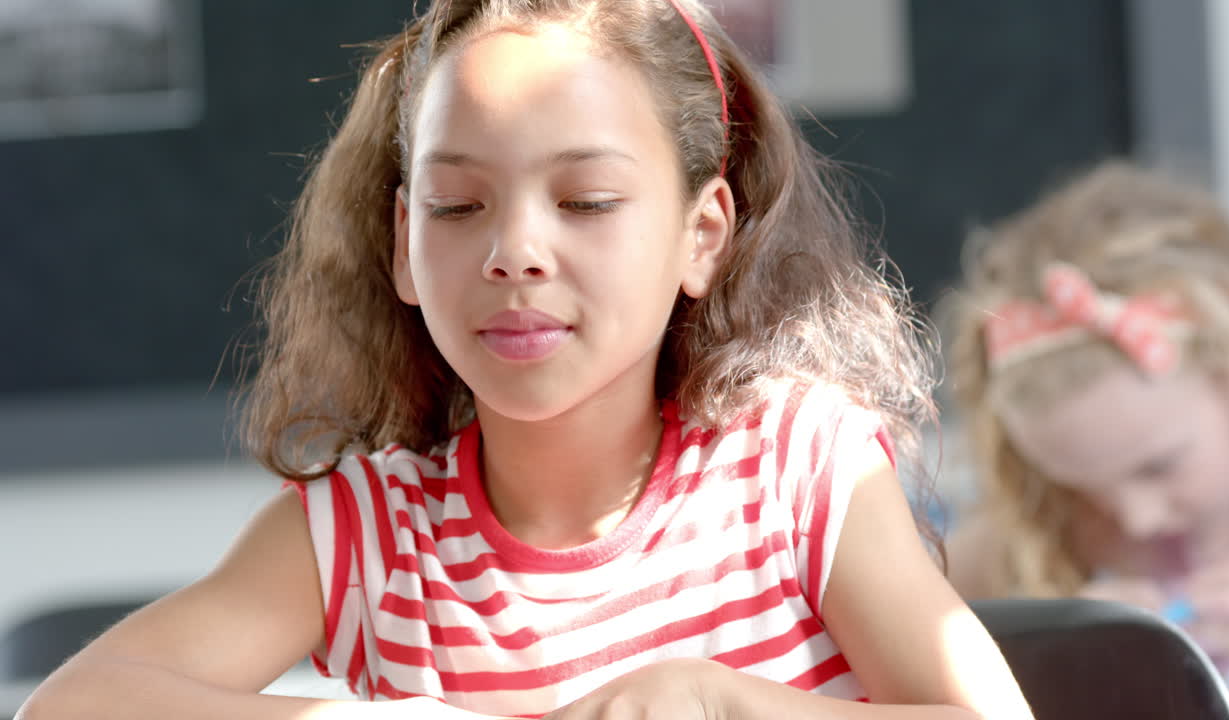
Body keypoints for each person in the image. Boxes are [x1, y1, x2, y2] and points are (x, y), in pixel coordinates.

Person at [20, 1, 1030, 718]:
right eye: (457, 207)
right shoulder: (362, 536)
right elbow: (71, 709)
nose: (512, 252)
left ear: (702, 234)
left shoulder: (801, 470)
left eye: (586, 201)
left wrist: (725, 705)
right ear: (401, 247)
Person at [944, 160, 1229, 681]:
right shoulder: (1040, 528)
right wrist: (1051, 648)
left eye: (1158, 467)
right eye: (1080, 484)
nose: (1136, 518)